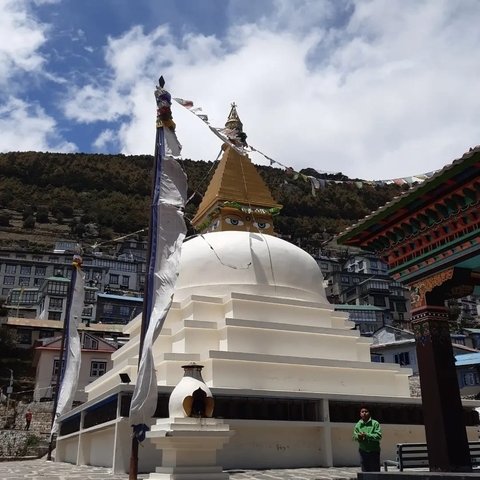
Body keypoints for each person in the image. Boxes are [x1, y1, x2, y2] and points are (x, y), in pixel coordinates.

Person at [353, 405, 382, 472]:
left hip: (374, 451)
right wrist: (358, 436)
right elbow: (354, 436)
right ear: (360, 414)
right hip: (363, 451)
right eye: (362, 412)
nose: (364, 413)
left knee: (375, 472)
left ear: (369, 413)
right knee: (365, 472)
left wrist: (366, 435)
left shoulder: (375, 423)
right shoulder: (358, 425)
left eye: (366, 411)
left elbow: (378, 436)